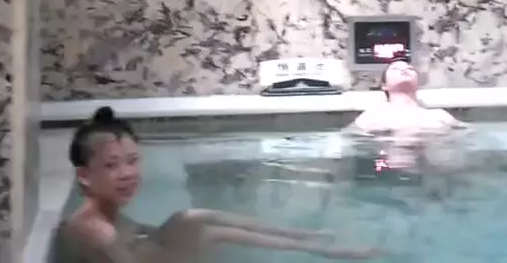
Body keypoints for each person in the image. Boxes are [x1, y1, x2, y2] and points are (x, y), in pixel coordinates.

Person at [53, 107, 382, 262]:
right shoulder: (97, 231)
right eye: (111, 165)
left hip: (155, 251)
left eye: (132, 160)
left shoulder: (104, 213)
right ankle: (323, 249)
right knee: (207, 231)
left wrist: (169, 236)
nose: (127, 173)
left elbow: (139, 233)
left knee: (191, 218)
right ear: (84, 175)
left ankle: (306, 238)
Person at [345, 58, 469, 137]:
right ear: (384, 85)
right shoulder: (372, 116)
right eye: (395, 69)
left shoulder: (439, 115)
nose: (404, 70)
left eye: (410, 69)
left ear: (418, 83)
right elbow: (345, 138)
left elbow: (470, 134)